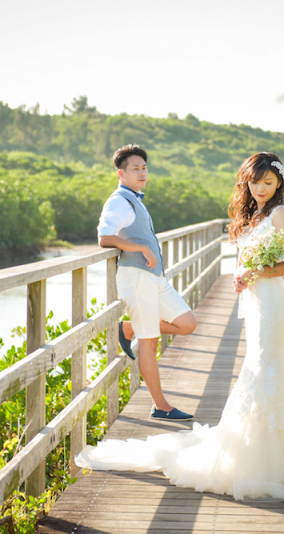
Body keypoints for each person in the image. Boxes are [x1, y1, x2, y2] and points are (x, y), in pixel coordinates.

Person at [77, 152, 284, 501]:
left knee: (263, 368)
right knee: (261, 368)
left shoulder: (281, 214)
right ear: (247, 182)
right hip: (255, 304)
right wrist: (242, 277)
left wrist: (256, 273)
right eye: (255, 182)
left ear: (279, 184)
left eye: (268, 183)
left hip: (274, 304)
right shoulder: (252, 215)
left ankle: (264, 449)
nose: (260, 189)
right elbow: (248, 259)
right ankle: (262, 442)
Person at [97, 144, 198, 421]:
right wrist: (139, 248)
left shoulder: (136, 199)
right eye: (135, 169)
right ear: (121, 173)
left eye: (144, 168)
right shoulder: (119, 201)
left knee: (188, 323)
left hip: (154, 279)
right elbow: (105, 238)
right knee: (149, 342)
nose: (142, 173)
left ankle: (130, 327)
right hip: (136, 277)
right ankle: (160, 406)